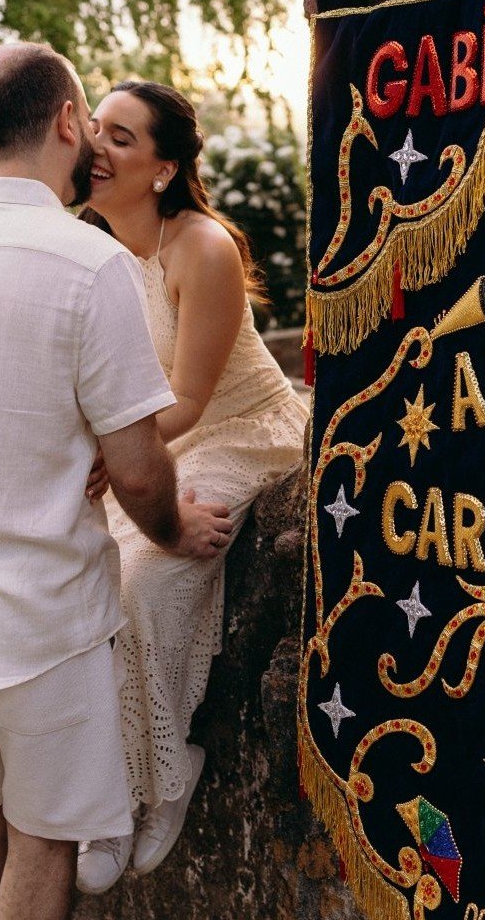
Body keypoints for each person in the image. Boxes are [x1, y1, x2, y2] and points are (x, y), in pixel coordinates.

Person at [0, 43, 232, 920]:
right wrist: (174, 531)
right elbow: (138, 467)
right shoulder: (87, 262)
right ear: (68, 121)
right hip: (37, 622)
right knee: (44, 838)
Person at [75, 80, 308, 894]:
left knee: (144, 580)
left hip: (239, 434)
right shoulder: (91, 249)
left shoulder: (202, 245)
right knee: (73, 577)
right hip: (141, 442)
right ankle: (102, 795)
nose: (98, 147)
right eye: (95, 129)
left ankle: (162, 777)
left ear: (164, 168)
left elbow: (190, 399)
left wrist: (115, 459)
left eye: (122, 137)